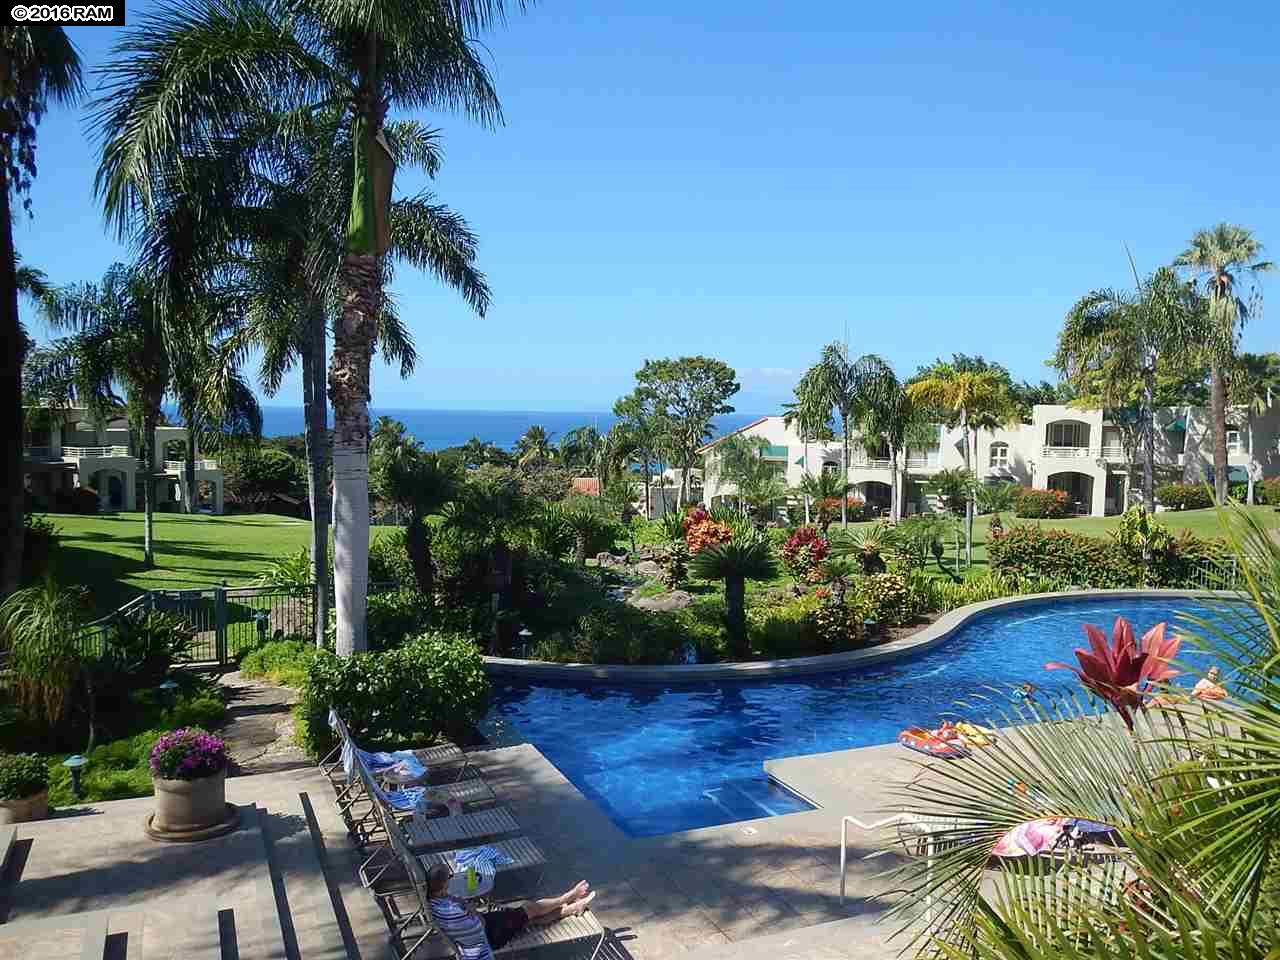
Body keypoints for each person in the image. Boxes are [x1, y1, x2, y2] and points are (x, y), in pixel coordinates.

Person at [426, 863, 595, 960]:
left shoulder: (435, 900)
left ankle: (571, 908)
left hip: (485, 928)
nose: (451, 879)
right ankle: (567, 897)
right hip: (490, 935)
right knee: (529, 908)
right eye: (449, 877)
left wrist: (466, 906)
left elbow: (467, 915)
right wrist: (471, 908)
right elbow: (478, 925)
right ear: (443, 883)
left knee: (529, 919)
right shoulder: (450, 909)